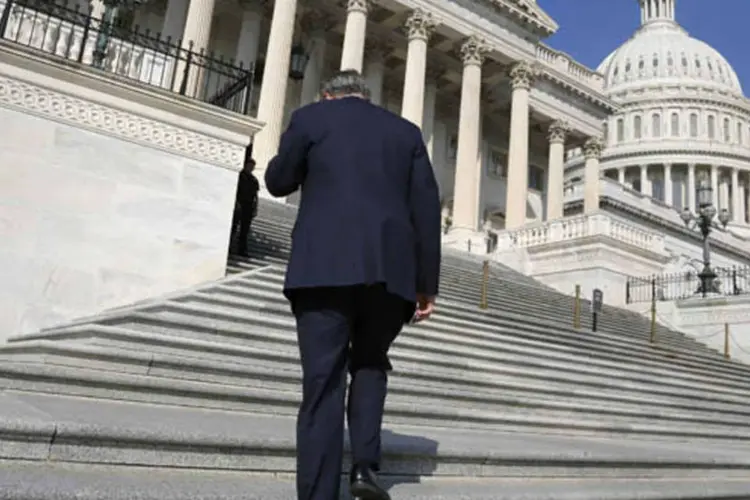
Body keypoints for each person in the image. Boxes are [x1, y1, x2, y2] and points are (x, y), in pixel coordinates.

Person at [264, 69, 441, 500]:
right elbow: (427, 209)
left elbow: (278, 181)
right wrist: (426, 284)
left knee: (323, 381)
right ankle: (364, 468)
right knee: (370, 364)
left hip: (323, 266)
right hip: (390, 273)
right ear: (366, 96)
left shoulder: (311, 118)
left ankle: (318, 493)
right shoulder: (406, 133)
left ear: (329, 95)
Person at [231, 149, 259, 256]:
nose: (251, 168)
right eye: (250, 165)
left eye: (253, 166)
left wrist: (255, 208)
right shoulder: (239, 176)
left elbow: (255, 195)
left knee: (245, 230)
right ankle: (230, 247)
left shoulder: (254, 180)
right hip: (239, 204)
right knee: (234, 227)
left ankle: (242, 250)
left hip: (248, 206)